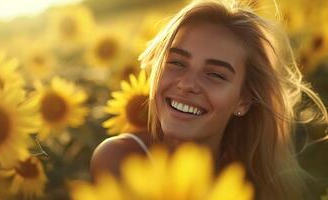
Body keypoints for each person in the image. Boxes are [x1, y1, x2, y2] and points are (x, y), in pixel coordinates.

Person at [90, 0, 328, 199]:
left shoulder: (252, 179)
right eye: (176, 63)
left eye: (215, 74)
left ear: (243, 100)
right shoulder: (122, 160)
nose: (186, 84)